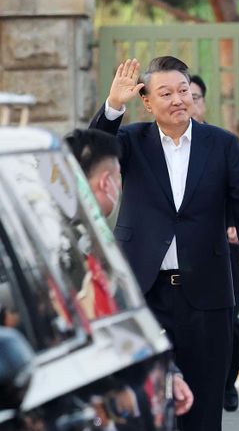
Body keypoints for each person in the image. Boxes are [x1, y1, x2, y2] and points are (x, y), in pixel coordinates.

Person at [88, 56, 239, 431]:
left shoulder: (221, 143)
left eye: (183, 91)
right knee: (144, 401)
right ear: (147, 102)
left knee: (203, 404)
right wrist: (113, 105)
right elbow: (91, 155)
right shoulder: (131, 140)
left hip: (206, 291)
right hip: (144, 291)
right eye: (166, 93)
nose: (177, 100)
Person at [65, 128, 194, 417]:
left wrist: (169, 372)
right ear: (107, 182)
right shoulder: (85, 249)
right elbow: (123, 318)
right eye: (119, 177)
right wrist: (166, 373)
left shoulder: (54, 235)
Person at [189, 74, 239, 412]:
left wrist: (235, 224)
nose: (185, 102)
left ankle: (227, 383)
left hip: (221, 248)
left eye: (193, 96)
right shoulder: (155, 144)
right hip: (178, 254)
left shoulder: (221, 143)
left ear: (203, 103)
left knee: (230, 323)